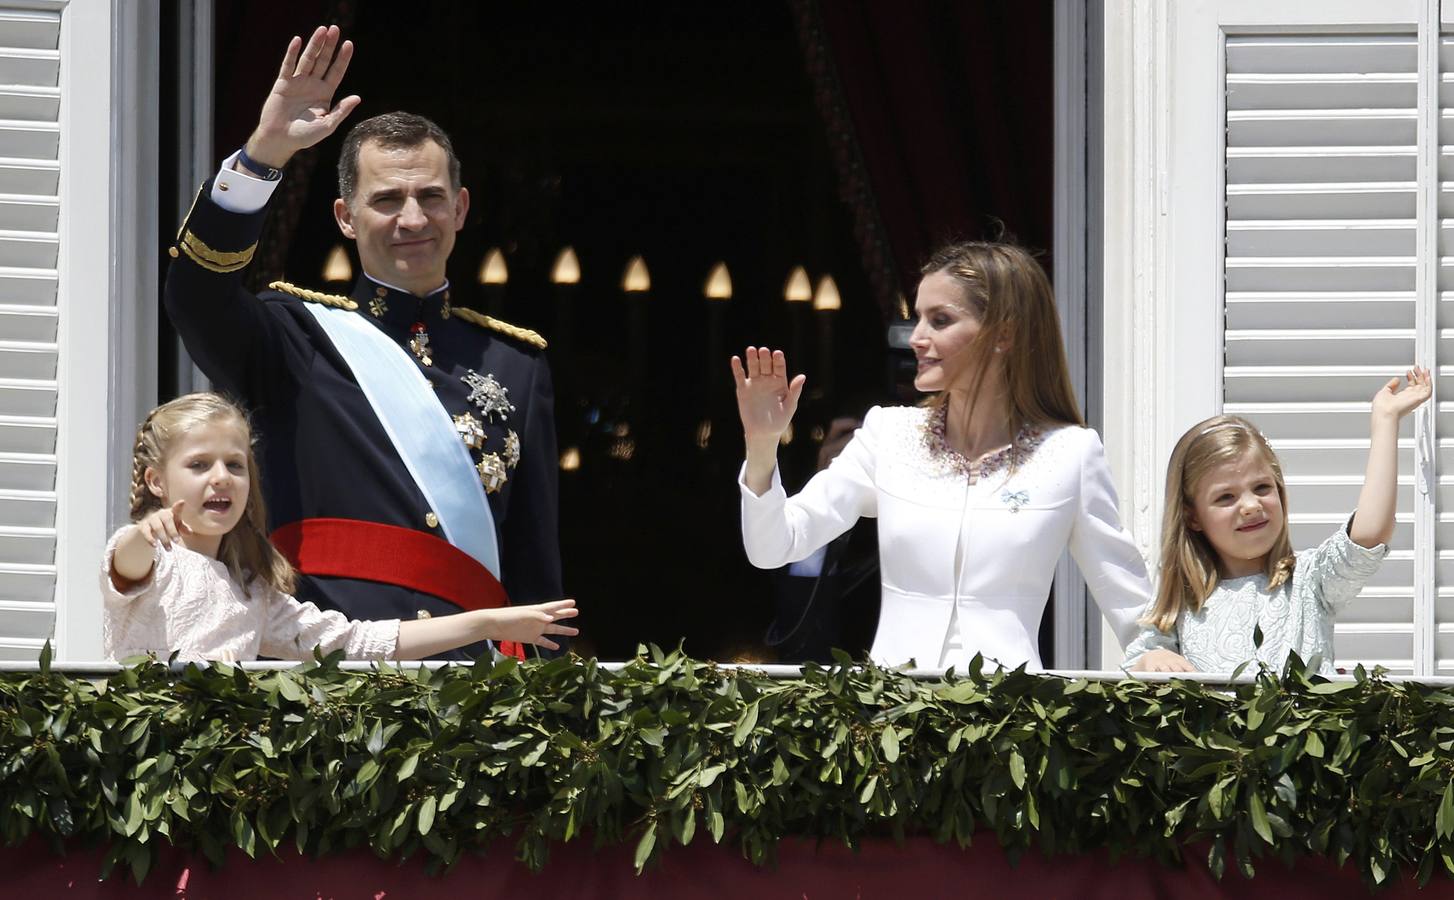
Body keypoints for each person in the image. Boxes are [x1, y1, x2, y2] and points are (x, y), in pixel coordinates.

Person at [162, 27, 563, 657]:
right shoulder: (292, 336)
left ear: (459, 209)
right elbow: (194, 294)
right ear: (345, 217)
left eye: (431, 197)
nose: (412, 219)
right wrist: (264, 154)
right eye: (386, 200)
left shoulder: (518, 364)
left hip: (473, 696)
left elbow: (536, 573)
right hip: (328, 684)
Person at [733, 241, 1152, 670]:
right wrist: (762, 443)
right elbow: (772, 546)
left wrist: (1156, 654)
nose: (916, 338)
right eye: (918, 318)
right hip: (892, 716)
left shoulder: (1071, 454)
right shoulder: (887, 435)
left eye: (940, 320)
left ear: (1003, 333)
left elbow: (1132, 605)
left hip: (1010, 720)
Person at [103, 394, 578, 662]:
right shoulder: (148, 556)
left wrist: (488, 622)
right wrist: (144, 534)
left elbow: (359, 642)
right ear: (156, 482)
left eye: (235, 464)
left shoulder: (253, 592)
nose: (221, 477)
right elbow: (125, 565)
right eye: (199, 464)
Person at [1123, 369, 1431, 675]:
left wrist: (1386, 421)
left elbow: (1370, 532)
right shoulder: (1181, 604)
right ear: (1192, 517)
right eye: (1226, 497)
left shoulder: (1310, 581)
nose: (1250, 505)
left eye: (1261, 488)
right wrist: (1152, 659)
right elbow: (1133, 670)